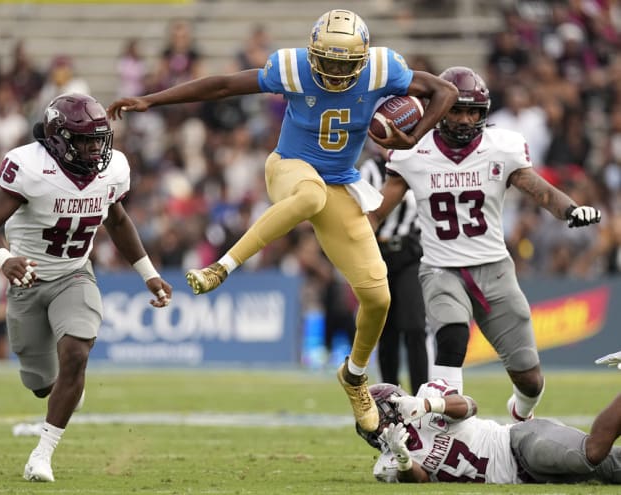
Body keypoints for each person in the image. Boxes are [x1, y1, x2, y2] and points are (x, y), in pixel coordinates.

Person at [107, 9, 458, 432]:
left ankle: (354, 376)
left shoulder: (384, 67)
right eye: (325, 61)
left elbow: (445, 91)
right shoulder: (291, 67)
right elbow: (222, 85)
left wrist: (416, 134)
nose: (332, 71)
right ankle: (223, 266)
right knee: (308, 194)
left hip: (341, 183)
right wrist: (152, 98)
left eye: (343, 64)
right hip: (290, 167)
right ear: (312, 55)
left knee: (378, 296)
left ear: (362, 60)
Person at [368, 66, 601, 421]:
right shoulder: (412, 152)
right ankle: (443, 430)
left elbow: (536, 188)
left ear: (484, 113)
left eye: (472, 111)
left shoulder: (502, 147)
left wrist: (570, 210)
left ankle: (521, 411)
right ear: (439, 109)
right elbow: (378, 211)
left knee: (529, 377)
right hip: (441, 268)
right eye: (457, 110)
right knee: (451, 336)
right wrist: (349, 235)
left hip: (494, 268)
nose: (464, 119)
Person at [0, 93, 172, 482]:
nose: (96, 146)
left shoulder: (112, 168)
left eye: (100, 138)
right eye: (85, 139)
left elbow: (116, 221)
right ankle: (66, 391)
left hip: (74, 273)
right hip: (27, 278)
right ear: (60, 138)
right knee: (42, 384)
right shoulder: (29, 166)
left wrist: (148, 272)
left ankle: (42, 454)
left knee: (77, 351)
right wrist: (4, 259)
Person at [356, 380, 621, 484]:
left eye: (377, 417)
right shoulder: (386, 463)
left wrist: (429, 405)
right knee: (612, 469)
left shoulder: (426, 398)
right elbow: (421, 480)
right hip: (527, 479)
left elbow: (470, 406)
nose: (377, 428)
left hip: (518, 445)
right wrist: (403, 458)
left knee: (592, 451)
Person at [359, 145, 428, 394]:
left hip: (410, 253)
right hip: (378, 253)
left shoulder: (417, 164)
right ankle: (390, 396)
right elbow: (362, 211)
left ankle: (422, 394)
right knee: (386, 329)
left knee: (415, 326)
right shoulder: (369, 170)